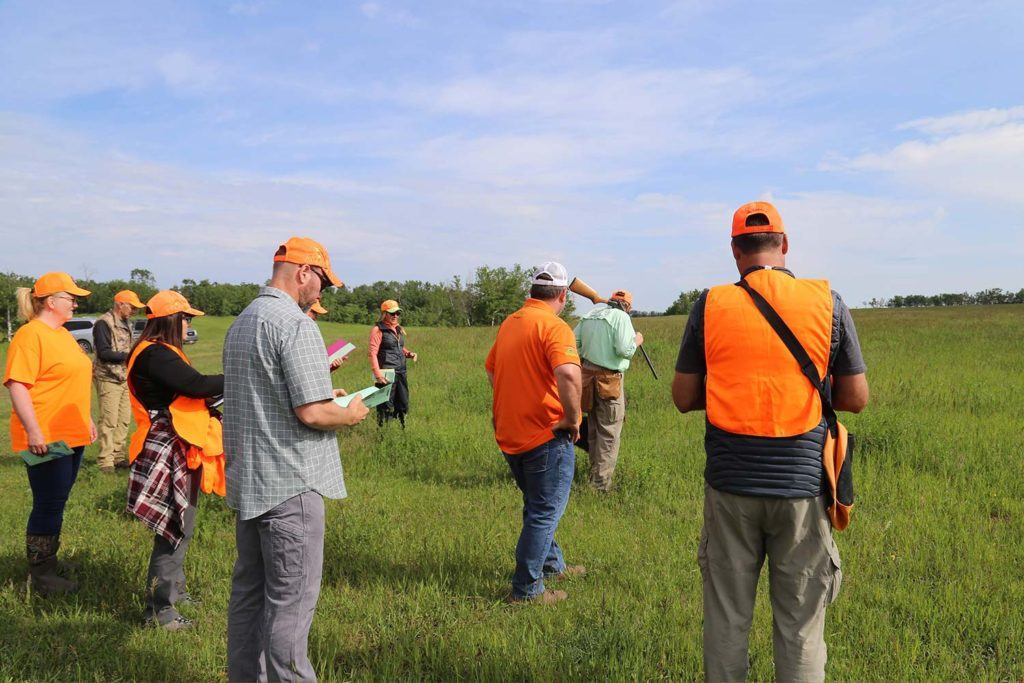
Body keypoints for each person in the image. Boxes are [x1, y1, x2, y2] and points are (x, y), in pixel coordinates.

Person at [671, 201, 869, 682]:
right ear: (783, 245)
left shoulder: (710, 304)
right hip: (803, 489)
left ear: (735, 251)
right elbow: (857, 398)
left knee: (726, 620)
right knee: (801, 626)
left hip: (730, 488)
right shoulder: (829, 302)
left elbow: (682, 396)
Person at [224, 237, 370, 682]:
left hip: (252, 483)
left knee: (249, 594)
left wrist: (328, 395)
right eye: (322, 279)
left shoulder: (244, 320)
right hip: (291, 485)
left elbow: (269, 395)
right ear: (303, 272)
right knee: (291, 602)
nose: (322, 291)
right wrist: (348, 414)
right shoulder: (295, 324)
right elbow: (312, 412)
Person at [485, 262, 585, 604]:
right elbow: (570, 376)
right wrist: (573, 419)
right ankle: (526, 590)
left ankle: (553, 565)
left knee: (538, 505)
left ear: (532, 291)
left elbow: (492, 370)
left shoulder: (511, 323)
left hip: (511, 433)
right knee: (544, 511)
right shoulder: (554, 327)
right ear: (563, 295)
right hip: (545, 435)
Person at [125, 290, 225, 631]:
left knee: (183, 523)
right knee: (172, 528)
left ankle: (176, 592)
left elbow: (192, 390)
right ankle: (160, 613)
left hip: (179, 444)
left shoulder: (162, 351)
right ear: (171, 319)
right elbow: (196, 385)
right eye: (186, 318)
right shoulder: (154, 354)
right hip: (166, 446)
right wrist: (244, 377)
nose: (190, 323)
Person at [3, 272, 96, 596]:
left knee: (58, 499)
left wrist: (86, 419)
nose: (75, 302)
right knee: (48, 502)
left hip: (71, 434)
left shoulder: (62, 335)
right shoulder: (30, 336)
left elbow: (70, 380)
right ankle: (41, 574)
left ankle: (49, 561)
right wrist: (33, 431)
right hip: (47, 437)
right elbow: (17, 385)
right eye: (70, 297)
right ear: (50, 301)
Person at [573, 289, 643, 491]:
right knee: (609, 434)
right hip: (609, 381)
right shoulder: (622, 317)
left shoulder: (589, 315)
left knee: (594, 430)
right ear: (627, 306)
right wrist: (637, 340)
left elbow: (573, 343)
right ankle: (600, 486)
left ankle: (593, 477)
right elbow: (624, 350)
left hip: (587, 379)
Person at [93, 289, 145, 473]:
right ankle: (105, 461)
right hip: (108, 377)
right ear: (120, 304)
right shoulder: (103, 323)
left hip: (124, 378)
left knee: (123, 420)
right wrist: (130, 356)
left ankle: (118, 456)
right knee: (109, 420)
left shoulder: (125, 322)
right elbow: (104, 352)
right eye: (131, 307)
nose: (134, 311)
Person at [368, 299, 417, 427]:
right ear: (384, 314)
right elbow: (372, 353)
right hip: (386, 374)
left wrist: (408, 353)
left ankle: (402, 429)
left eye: (397, 313)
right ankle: (384, 433)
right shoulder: (378, 330)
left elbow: (398, 347)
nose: (395, 315)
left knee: (403, 403)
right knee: (385, 405)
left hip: (401, 371)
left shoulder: (398, 329)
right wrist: (378, 374)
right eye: (392, 313)